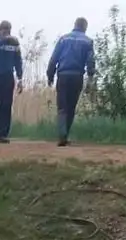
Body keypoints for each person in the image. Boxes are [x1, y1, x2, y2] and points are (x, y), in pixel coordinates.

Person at [46, 17, 96, 147]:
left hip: (63, 75)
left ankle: (62, 135)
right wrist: (90, 77)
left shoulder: (63, 39)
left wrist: (50, 75)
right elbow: (90, 61)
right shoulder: (88, 41)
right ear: (85, 27)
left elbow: (54, 58)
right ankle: (65, 135)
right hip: (77, 76)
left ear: (74, 25)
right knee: (71, 107)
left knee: (62, 107)